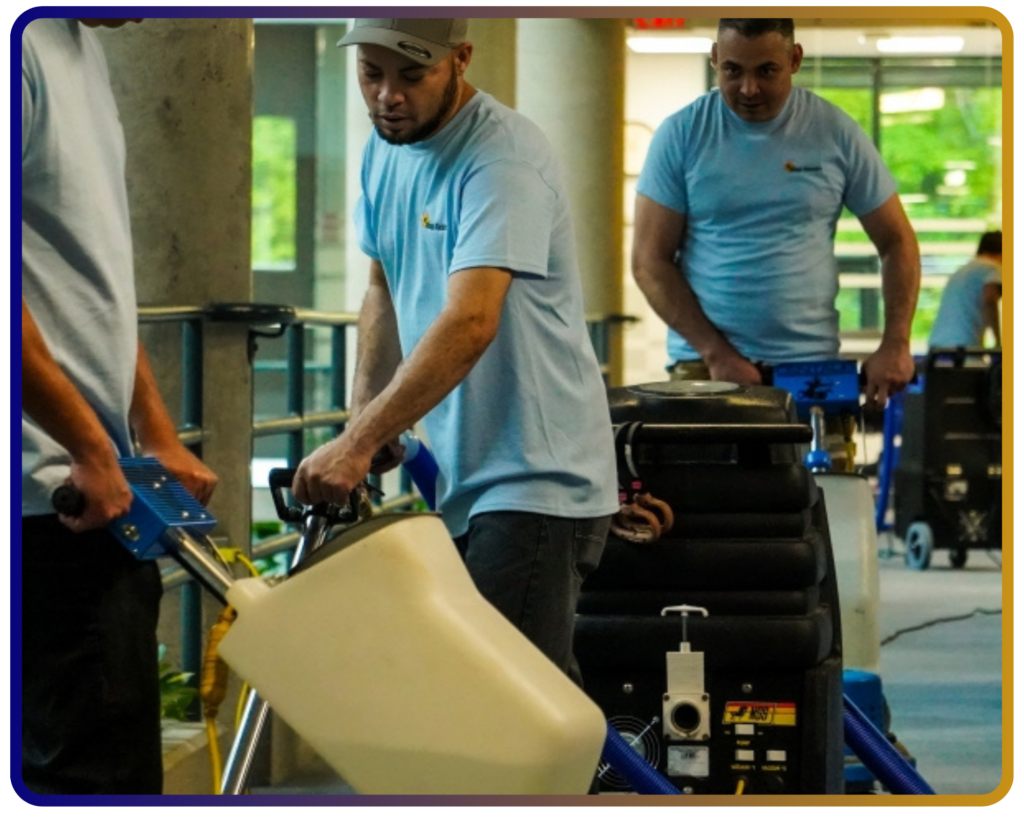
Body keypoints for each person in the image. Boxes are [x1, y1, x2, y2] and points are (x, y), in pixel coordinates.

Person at [292, 18, 618, 690]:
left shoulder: (501, 159)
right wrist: (366, 422)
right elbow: (381, 286)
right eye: (371, 74)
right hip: (464, 475)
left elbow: (471, 320)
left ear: (461, 59)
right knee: (526, 709)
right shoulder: (386, 150)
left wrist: (358, 442)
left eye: (412, 75)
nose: (388, 95)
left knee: (506, 713)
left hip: (537, 478)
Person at [21, 18, 218, 794]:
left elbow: (91, 277)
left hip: (96, 487)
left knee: (118, 763)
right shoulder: (21, 50)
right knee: (89, 776)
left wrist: (153, 430)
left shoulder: (84, 48)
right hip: (50, 500)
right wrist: (90, 449)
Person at [632, 18, 921, 410]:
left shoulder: (834, 132)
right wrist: (717, 353)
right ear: (716, 58)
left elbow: (897, 240)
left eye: (766, 70)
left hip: (811, 368)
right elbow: (649, 262)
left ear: (795, 59)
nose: (749, 89)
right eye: (733, 70)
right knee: (700, 474)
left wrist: (896, 342)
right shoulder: (681, 134)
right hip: (705, 366)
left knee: (823, 474)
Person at [929, 230, 1002, 348]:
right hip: (963, 346)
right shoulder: (993, 268)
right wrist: (998, 341)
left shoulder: (962, 271)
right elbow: (989, 300)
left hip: (938, 345)